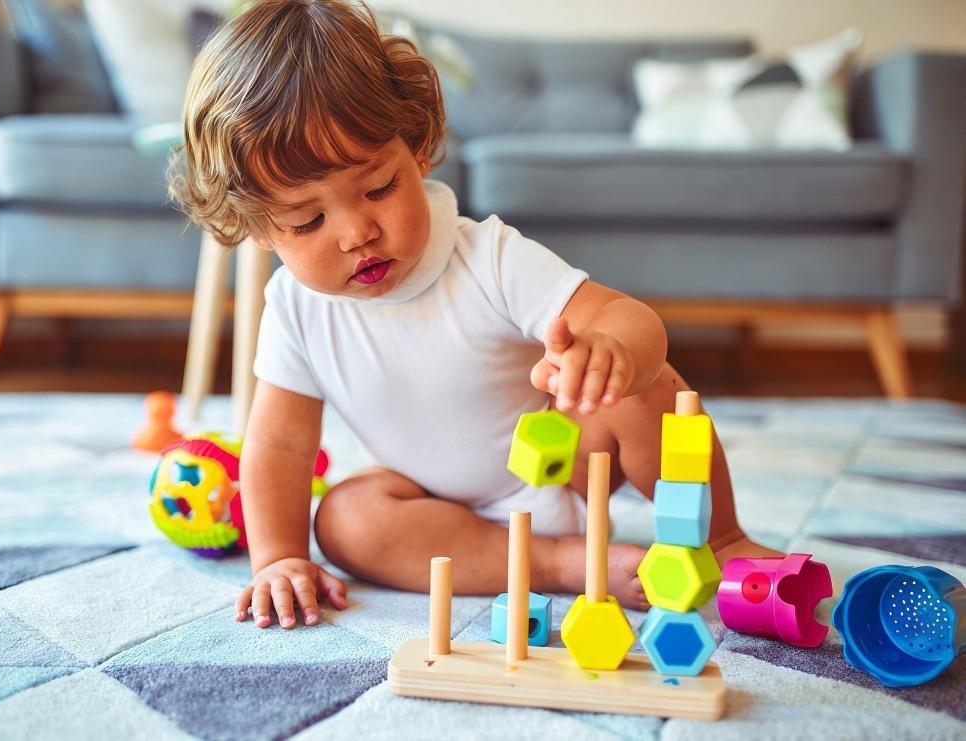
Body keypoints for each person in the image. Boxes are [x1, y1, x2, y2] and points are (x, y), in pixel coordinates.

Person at [169, 0, 780, 630]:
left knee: (648, 385)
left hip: (565, 471)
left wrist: (612, 350)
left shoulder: (488, 257)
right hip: (435, 510)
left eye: (379, 188)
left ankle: (726, 539)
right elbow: (279, 446)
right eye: (308, 220)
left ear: (420, 147)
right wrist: (279, 557)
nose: (356, 232)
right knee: (345, 522)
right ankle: (561, 563)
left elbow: (631, 319)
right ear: (260, 229)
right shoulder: (294, 309)